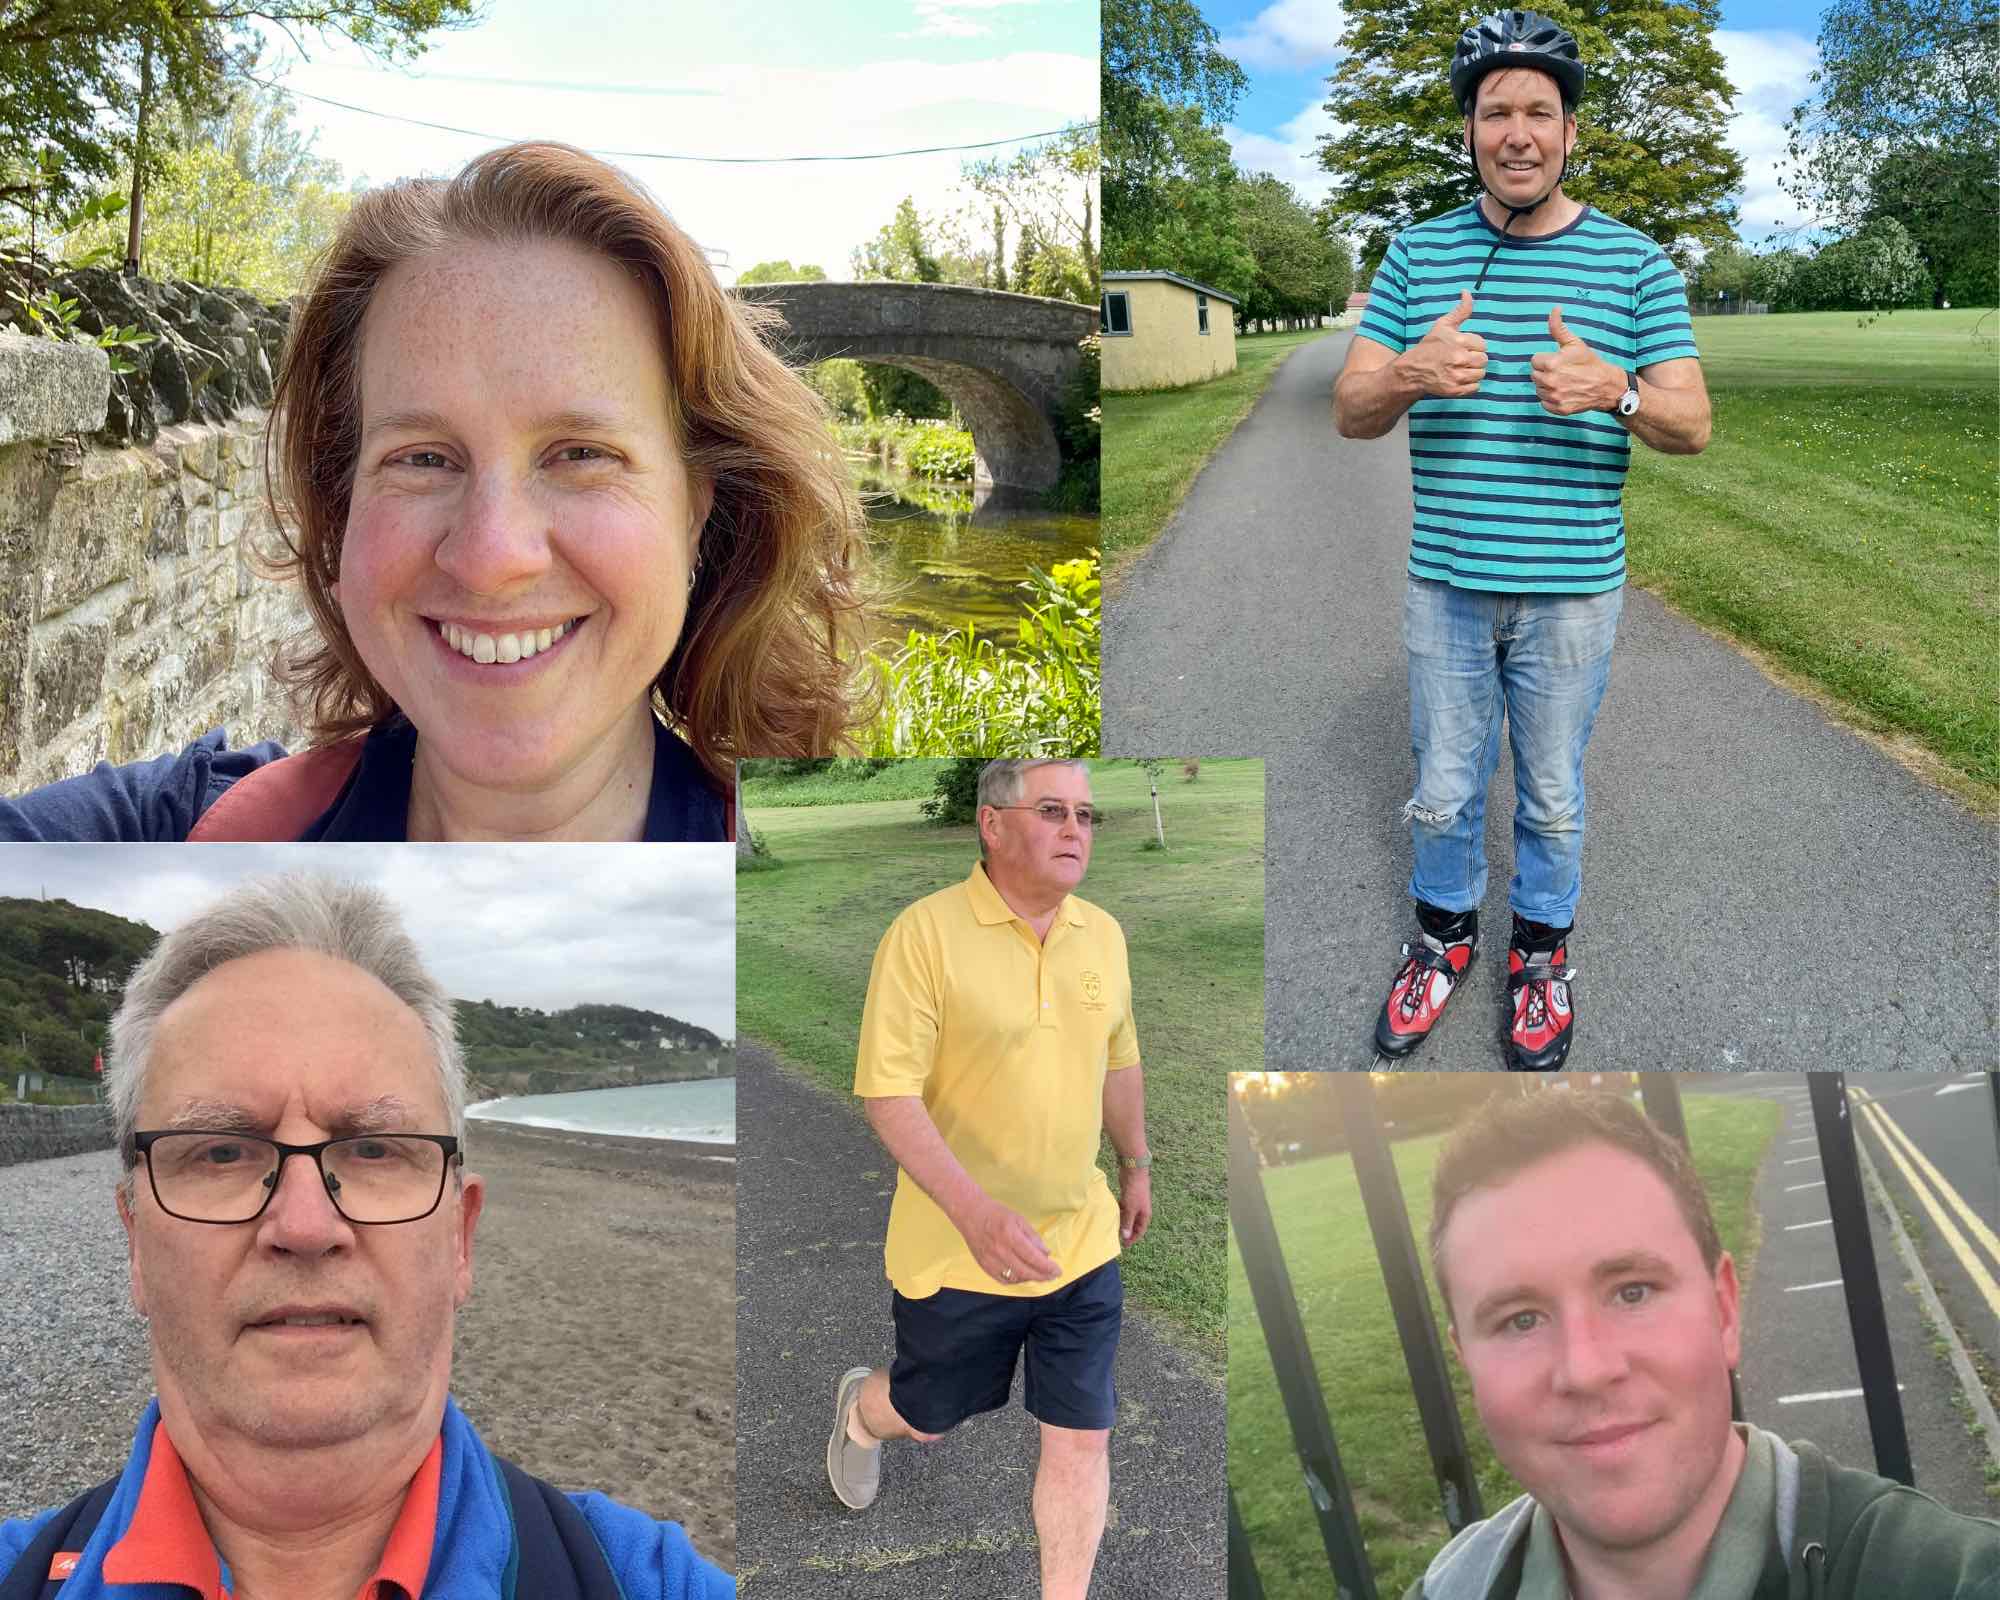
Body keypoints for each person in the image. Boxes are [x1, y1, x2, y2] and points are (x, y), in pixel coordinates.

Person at [0, 141, 869, 843]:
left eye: (578, 453)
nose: (492, 556)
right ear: (341, 509)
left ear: (698, 509)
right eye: (422, 458)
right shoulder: (155, 848)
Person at [0, 874, 732, 1599]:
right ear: (135, 1241)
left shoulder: (639, 1581)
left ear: (460, 1238)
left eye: (375, 1149)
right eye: (221, 1151)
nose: (307, 1225)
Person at [1332, 11, 1712, 1068]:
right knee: (1443, 784)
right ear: (1467, 131)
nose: (1515, 132)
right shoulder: (1416, 255)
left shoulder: (1634, 266)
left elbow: (1692, 423)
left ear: (1567, 133)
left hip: (1571, 594)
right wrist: (1409, 369)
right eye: (1493, 111)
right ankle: (1442, 939)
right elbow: (1348, 408)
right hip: (1445, 588)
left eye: (1536, 112)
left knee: (1549, 792)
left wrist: (1615, 391)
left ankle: (1539, 955)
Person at [1408, 1089, 1999, 1599]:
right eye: (1520, 1321)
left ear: (1723, 1309)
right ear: (1467, 1362)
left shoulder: (1941, 1575)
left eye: (1633, 1292)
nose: (1586, 1369)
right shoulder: (1449, 1587)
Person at [825, 758, 1151, 1600]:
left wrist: (1137, 1163)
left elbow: (1120, 1058)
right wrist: (973, 1214)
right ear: (993, 823)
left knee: (1082, 1437)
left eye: (1087, 814)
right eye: (1053, 810)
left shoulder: (1103, 934)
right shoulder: (924, 935)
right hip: (956, 1255)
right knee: (930, 1414)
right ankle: (863, 1408)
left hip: (1078, 1244)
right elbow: (888, 1094)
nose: (1076, 829)